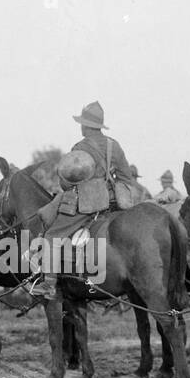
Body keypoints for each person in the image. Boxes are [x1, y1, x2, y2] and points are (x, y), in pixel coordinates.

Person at [29, 101, 137, 300]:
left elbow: (67, 183)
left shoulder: (80, 147)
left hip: (87, 203)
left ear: (86, 126)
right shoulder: (114, 145)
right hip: (112, 201)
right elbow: (126, 178)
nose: (80, 126)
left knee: (52, 235)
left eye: (82, 123)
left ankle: (49, 284)